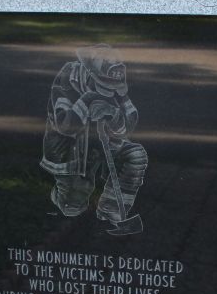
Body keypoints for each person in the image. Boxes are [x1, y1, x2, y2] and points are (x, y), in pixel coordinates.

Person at [41, 44, 147, 232]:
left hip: (100, 143)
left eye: (111, 88)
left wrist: (115, 115)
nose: (107, 92)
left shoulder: (115, 79)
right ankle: (59, 191)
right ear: (88, 72)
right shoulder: (67, 79)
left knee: (136, 156)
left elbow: (129, 124)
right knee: (72, 208)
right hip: (70, 151)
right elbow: (65, 126)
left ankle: (111, 209)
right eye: (102, 86)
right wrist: (88, 100)